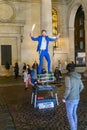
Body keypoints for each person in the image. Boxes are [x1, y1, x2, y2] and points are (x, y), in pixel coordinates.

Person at [62, 63, 84, 130]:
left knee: (70, 115)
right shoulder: (78, 76)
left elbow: (68, 88)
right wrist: (76, 93)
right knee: (74, 113)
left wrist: (64, 97)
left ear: (67, 69)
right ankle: (75, 128)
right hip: (77, 98)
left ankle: (73, 128)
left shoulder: (68, 77)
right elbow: (82, 87)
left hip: (70, 99)